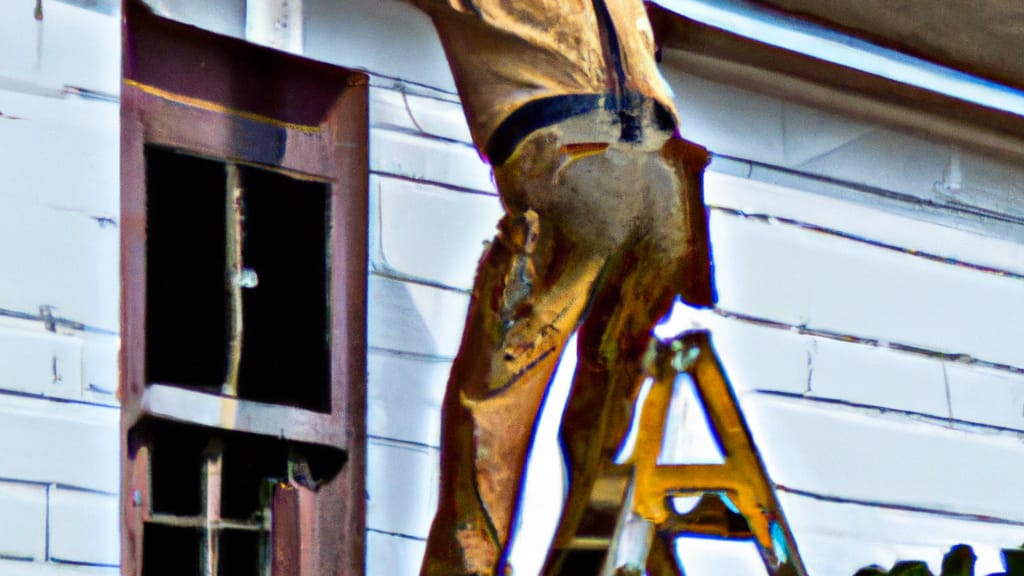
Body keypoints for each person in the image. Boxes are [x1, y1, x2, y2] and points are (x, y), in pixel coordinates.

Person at [410, 1, 714, 574]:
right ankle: (605, 557)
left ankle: (465, 567)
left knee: (497, 400)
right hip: (667, 189)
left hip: (578, 162)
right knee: (605, 417)